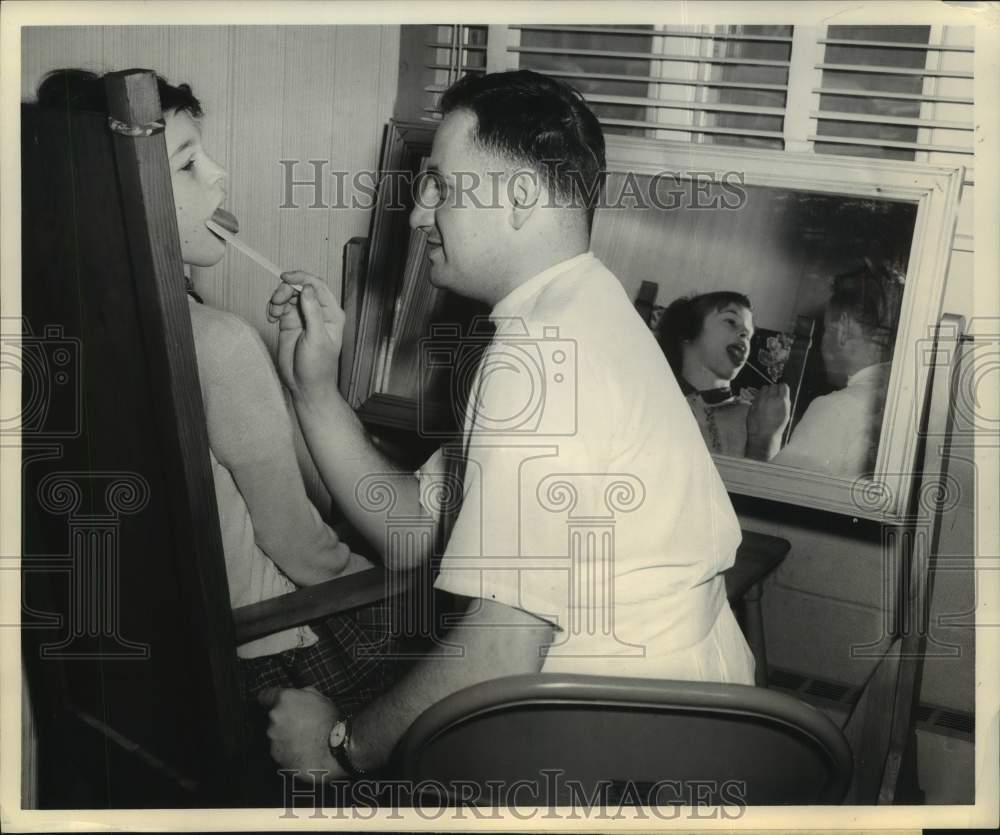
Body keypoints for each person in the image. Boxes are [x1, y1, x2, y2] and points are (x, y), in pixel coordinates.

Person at [262, 69, 755, 782]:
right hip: (675, 728)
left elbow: (499, 653)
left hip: (624, 762)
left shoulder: (539, 356)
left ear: (520, 197)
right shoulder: (580, 306)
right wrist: (313, 388)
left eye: (442, 187)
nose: (418, 215)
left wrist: (338, 745)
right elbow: (411, 532)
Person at [35, 69, 395, 713]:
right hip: (277, 654)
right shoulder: (219, 343)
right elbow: (307, 553)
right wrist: (397, 581)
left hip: (156, 670)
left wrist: (291, 382)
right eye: (189, 163)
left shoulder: (58, 332)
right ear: (122, 191)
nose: (220, 174)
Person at [771, 263, 900, 476]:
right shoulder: (900, 403)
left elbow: (772, 501)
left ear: (844, 329)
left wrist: (763, 440)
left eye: (826, 328)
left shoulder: (837, 410)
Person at [658, 291, 790, 460]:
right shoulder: (656, 401)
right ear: (687, 331)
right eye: (731, 321)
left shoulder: (756, 418)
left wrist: (766, 439)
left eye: (749, 335)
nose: (744, 333)